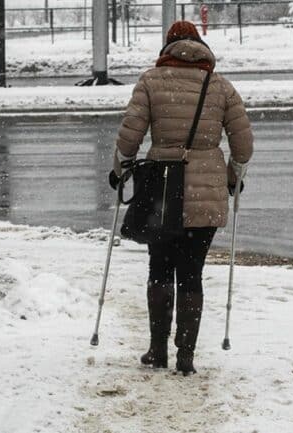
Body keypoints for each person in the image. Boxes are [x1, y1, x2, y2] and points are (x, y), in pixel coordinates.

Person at [111, 21, 254, 376]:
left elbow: (129, 138)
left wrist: (120, 170)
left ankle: (157, 349)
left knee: (159, 268)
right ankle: (186, 356)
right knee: (192, 274)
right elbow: (243, 145)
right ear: (201, 45)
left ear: (168, 47)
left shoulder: (150, 81)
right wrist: (233, 176)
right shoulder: (220, 87)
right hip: (206, 193)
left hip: (161, 190)